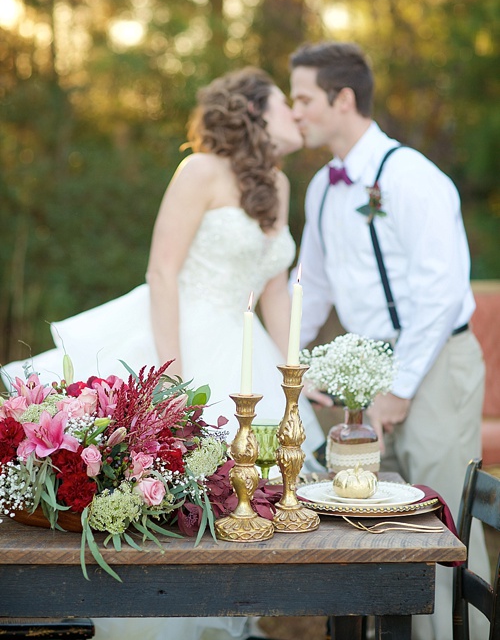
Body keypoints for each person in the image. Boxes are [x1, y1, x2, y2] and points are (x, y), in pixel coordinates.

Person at [2, 66, 325, 640]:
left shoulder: (278, 184)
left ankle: (217, 616)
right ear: (253, 111)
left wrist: (295, 367)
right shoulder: (199, 169)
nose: (298, 114)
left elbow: (273, 287)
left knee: (243, 489)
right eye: (285, 102)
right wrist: (172, 374)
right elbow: (162, 270)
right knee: (162, 478)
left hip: (244, 341)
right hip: (177, 329)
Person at [289, 41, 490, 640]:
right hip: (363, 371)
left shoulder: (414, 178)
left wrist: (399, 388)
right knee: (365, 520)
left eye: (303, 98)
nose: (295, 110)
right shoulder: (322, 186)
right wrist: (292, 367)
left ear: (342, 98)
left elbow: (441, 292)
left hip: (435, 365)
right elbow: (313, 286)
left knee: (441, 521)